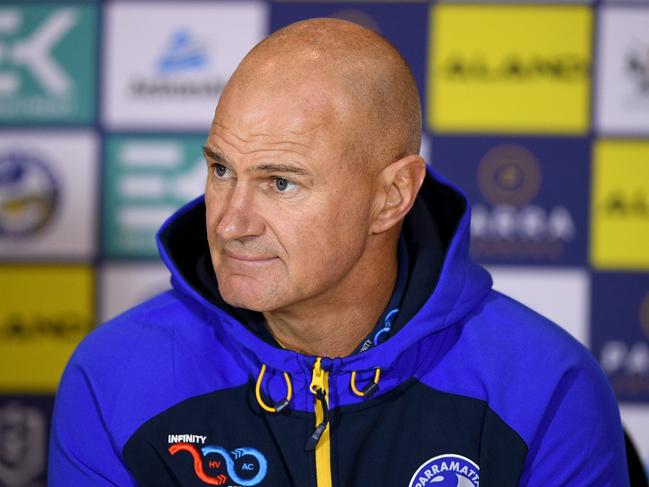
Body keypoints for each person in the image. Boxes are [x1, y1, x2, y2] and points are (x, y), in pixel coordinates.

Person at [48, 18, 629, 486]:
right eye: (221, 169)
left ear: (391, 196)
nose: (228, 223)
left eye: (281, 183)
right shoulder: (115, 375)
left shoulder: (545, 385)